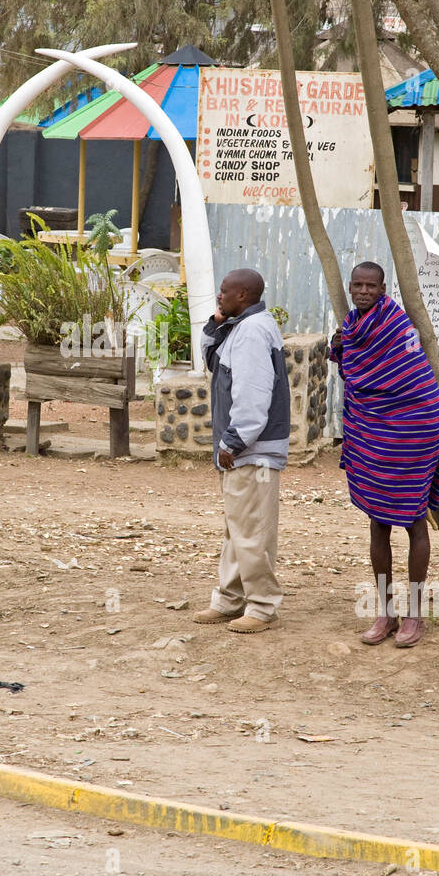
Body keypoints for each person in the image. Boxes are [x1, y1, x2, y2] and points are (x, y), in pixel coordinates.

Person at [329, 262, 439, 649]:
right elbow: (356, 372)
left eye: (371, 286)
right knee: (377, 524)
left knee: (414, 521)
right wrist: (341, 344)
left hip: (413, 428)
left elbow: (408, 373)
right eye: (357, 285)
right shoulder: (351, 326)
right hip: (370, 431)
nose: (363, 291)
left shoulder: (396, 323)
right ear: (349, 287)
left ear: (383, 288)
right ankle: (386, 611)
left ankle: (414, 615)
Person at [194, 268, 291, 634]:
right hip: (247, 448)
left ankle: (263, 606)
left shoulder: (252, 332)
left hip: (252, 449)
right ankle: (230, 599)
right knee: (237, 528)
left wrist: (234, 440)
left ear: (243, 295)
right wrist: (216, 322)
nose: (219, 297)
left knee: (251, 531)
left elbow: (253, 394)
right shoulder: (242, 325)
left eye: (224, 293)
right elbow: (211, 360)